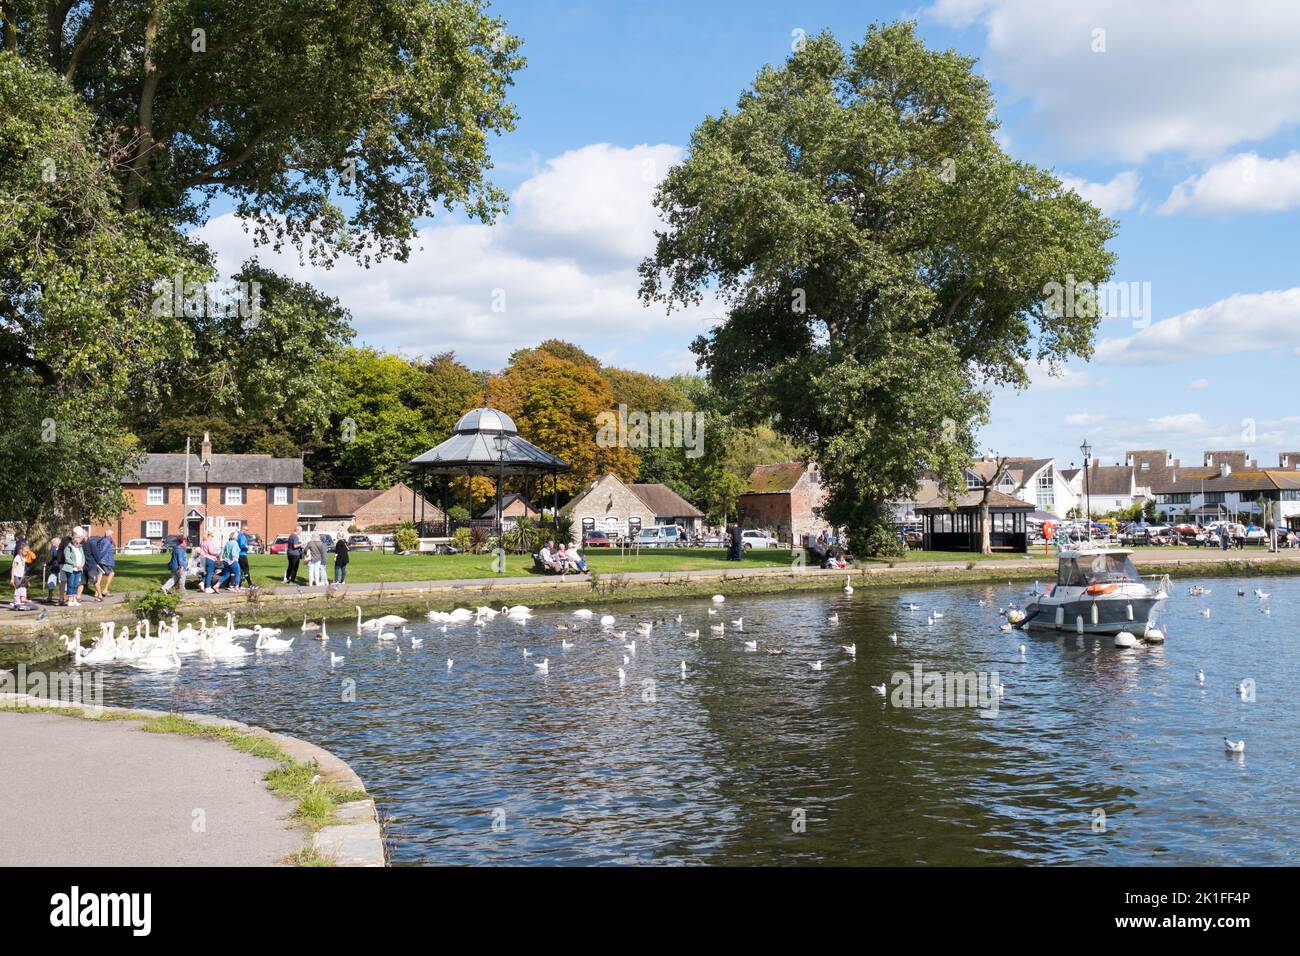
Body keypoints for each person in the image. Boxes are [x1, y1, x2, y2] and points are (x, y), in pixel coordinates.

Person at [61, 528, 86, 607]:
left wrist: (81, 565)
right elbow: (67, 558)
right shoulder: (68, 548)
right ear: (74, 542)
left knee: (76, 584)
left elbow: (83, 557)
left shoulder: (80, 548)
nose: (78, 544)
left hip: (79, 569)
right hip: (71, 568)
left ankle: (75, 600)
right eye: (77, 543)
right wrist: (75, 564)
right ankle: (70, 600)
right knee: (70, 584)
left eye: (79, 542)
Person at [90, 529, 116, 601]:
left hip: (102, 561)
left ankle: (96, 592)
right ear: (110, 535)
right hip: (105, 561)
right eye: (112, 535)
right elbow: (103, 551)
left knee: (100, 575)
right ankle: (105, 590)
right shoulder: (107, 542)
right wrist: (98, 560)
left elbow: (113, 544)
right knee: (112, 573)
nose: (112, 536)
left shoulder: (102, 540)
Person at [44, 535, 62, 604]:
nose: (52, 544)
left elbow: (56, 556)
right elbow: (53, 558)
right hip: (54, 568)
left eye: (53, 543)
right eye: (52, 543)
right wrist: (47, 564)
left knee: (61, 583)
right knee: (50, 581)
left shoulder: (61, 549)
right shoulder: (54, 548)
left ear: (57, 542)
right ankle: (50, 596)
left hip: (61, 568)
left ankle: (62, 597)